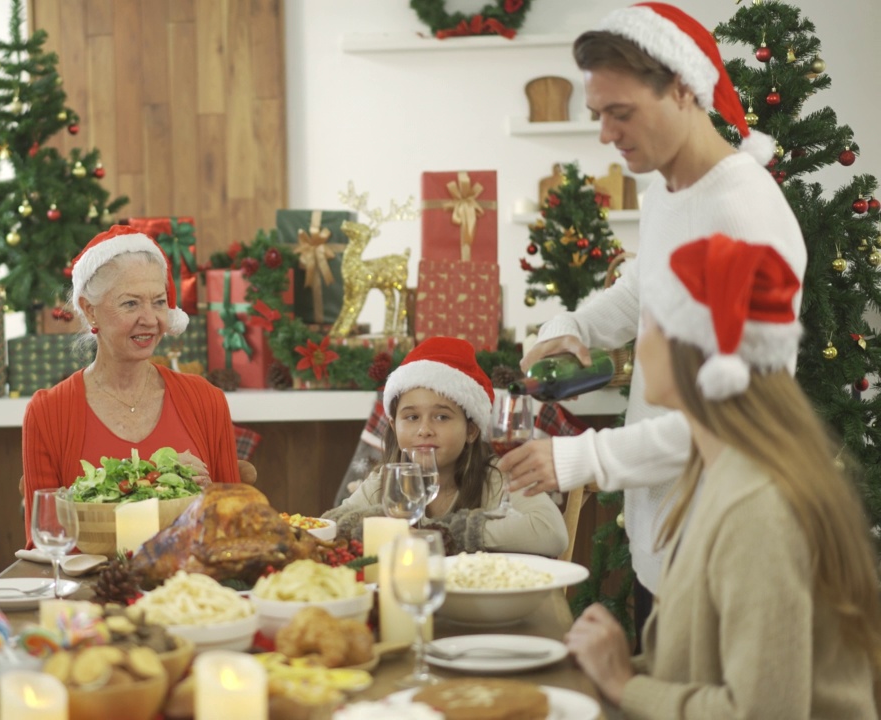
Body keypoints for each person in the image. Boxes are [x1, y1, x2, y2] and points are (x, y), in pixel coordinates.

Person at [499, 2, 806, 639]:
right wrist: (574, 328)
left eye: (622, 113)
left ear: (683, 89)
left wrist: (580, 459)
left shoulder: (742, 220)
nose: (607, 135)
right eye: (598, 115)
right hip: (662, 540)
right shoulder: (670, 188)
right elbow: (641, 290)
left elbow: (737, 422)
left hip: (718, 544)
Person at [566, 233, 881, 717]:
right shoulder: (719, 469)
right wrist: (609, 665)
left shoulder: (758, 508)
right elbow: (711, 660)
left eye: (650, 323)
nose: (637, 338)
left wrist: (623, 682)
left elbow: (763, 711)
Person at [22, 225, 241, 541]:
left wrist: (208, 501)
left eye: (159, 301)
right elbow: (44, 544)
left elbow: (233, 528)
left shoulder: (206, 400)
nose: (150, 319)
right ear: (89, 309)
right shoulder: (49, 413)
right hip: (91, 590)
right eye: (131, 303)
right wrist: (163, 480)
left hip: (188, 588)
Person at [325, 337, 568, 557]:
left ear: (471, 430)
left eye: (441, 417)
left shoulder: (498, 476)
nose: (424, 430)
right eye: (411, 417)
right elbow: (331, 527)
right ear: (393, 424)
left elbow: (552, 533)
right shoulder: (385, 481)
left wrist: (451, 534)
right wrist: (380, 524)